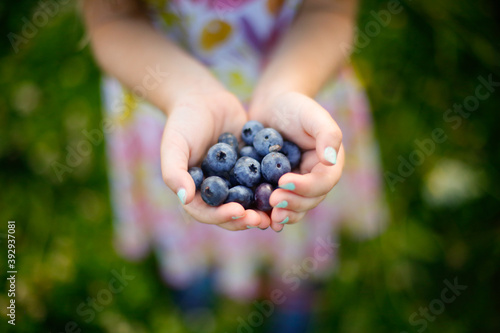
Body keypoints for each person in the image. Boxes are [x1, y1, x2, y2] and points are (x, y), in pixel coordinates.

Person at [83, 0, 387, 330]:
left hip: (301, 84)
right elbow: (113, 20)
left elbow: (329, 11)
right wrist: (187, 93)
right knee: (191, 208)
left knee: (288, 212)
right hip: (167, 99)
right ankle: (197, 275)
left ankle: (291, 286)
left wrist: (287, 88)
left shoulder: (278, 144)